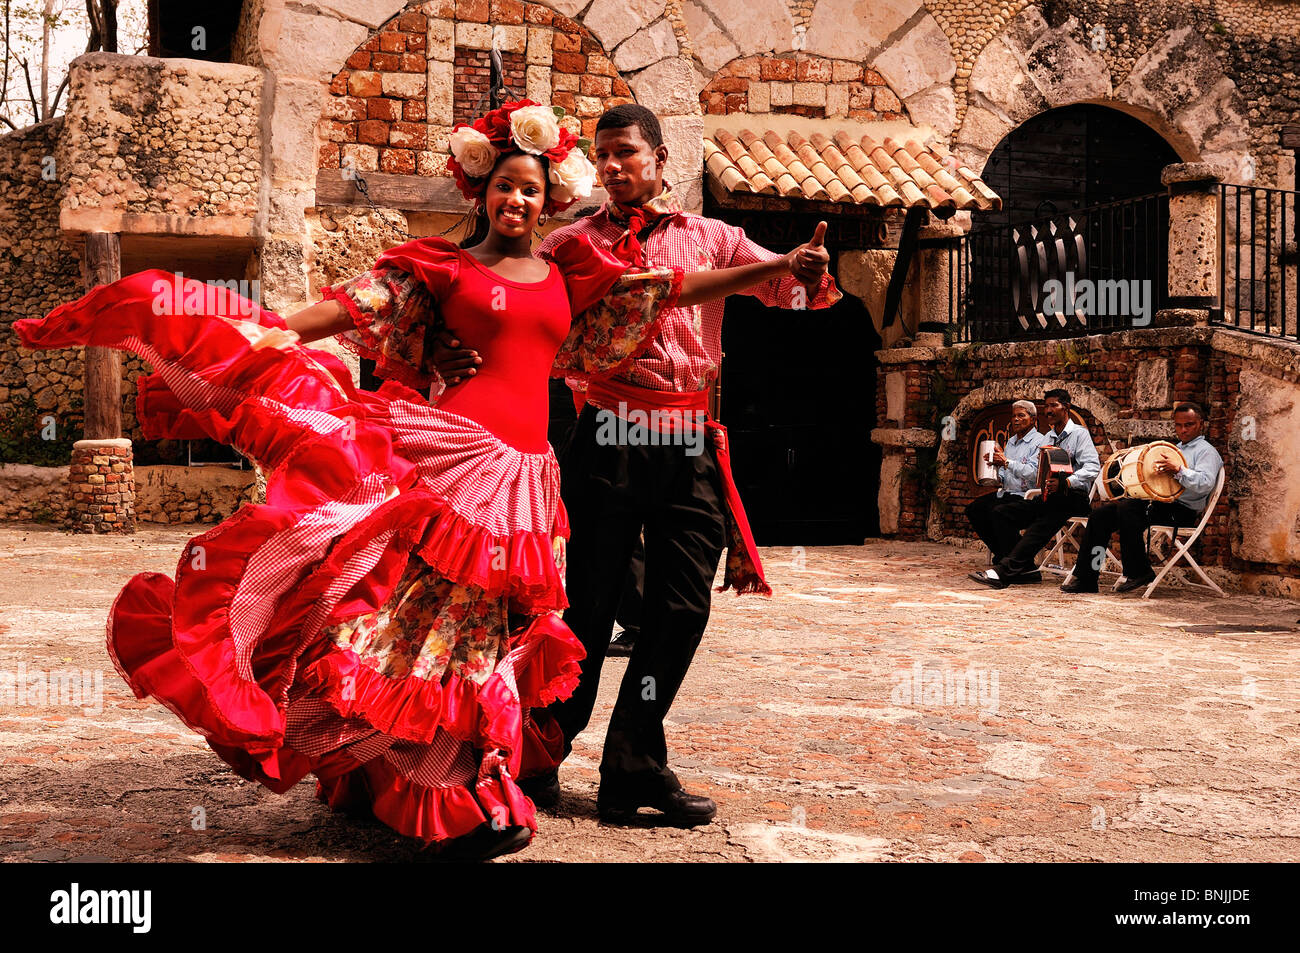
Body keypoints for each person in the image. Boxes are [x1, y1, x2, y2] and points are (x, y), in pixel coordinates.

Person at [15, 99, 812, 860]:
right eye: (504, 185)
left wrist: (770, 267)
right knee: (419, 624)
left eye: (531, 189)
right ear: (481, 189)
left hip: (526, 478)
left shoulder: (574, 271)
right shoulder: (441, 269)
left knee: (482, 635)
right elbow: (349, 309)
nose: (518, 199)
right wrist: (264, 332)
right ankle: (443, 789)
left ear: (547, 201)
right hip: (453, 456)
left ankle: (432, 773)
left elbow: (670, 291)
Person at [503, 103, 841, 826]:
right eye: (601, 156)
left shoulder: (714, 237)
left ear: (661, 157)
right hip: (608, 437)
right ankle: (540, 756)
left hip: (688, 443)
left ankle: (632, 763)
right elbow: (516, 314)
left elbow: (794, 291)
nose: (612, 166)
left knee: (682, 606)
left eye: (625, 151)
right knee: (586, 609)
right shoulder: (569, 243)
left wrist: (804, 267)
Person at [1061, 402, 1223, 593]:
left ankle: (1138, 571)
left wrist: (1179, 470)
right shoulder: (1174, 448)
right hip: (1158, 505)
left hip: (1180, 511)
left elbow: (1205, 483)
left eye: (1189, 425)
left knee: (1128, 509)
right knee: (1100, 516)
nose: (1183, 430)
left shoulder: (1206, 451)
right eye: (1179, 425)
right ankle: (1088, 577)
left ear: (1201, 424)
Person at [969, 387, 1100, 590]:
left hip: (1074, 496)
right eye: (1046, 406)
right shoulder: (1048, 438)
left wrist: (1067, 481)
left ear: (1066, 407)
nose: (1048, 410)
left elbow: (1092, 468)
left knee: (1042, 524)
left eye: (1053, 405)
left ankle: (1004, 572)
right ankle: (1026, 570)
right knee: (1003, 513)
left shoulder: (1079, 434)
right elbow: (1038, 471)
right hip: (1051, 494)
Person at [965, 399, 1047, 564]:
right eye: (1014, 416)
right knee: (974, 509)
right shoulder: (1011, 442)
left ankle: (1020, 562)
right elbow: (1004, 472)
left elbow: (1034, 473)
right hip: (1007, 493)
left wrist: (1006, 462)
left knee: (998, 512)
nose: (1016, 419)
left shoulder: (1040, 441)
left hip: (1028, 496)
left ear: (1033, 419)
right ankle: (1006, 554)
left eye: (1021, 415)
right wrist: (994, 473)